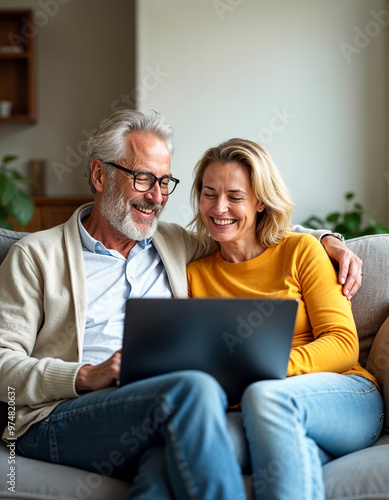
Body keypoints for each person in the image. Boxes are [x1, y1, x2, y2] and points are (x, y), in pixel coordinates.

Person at [0, 109, 362, 500]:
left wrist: (330, 239)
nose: (156, 197)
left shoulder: (173, 243)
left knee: (161, 472)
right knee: (192, 388)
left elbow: (252, 231)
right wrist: (85, 375)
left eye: (164, 182)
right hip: (60, 415)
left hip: (149, 411)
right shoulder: (35, 255)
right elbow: (3, 365)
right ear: (99, 175)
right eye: (142, 179)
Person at [186, 138, 384, 500]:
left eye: (235, 196)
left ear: (260, 200)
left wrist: (263, 369)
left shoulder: (301, 250)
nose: (219, 208)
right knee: (271, 449)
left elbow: (343, 344)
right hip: (259, 408)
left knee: (266, 396)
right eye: (209, 194)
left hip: (345, 393)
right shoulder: (194, 275)